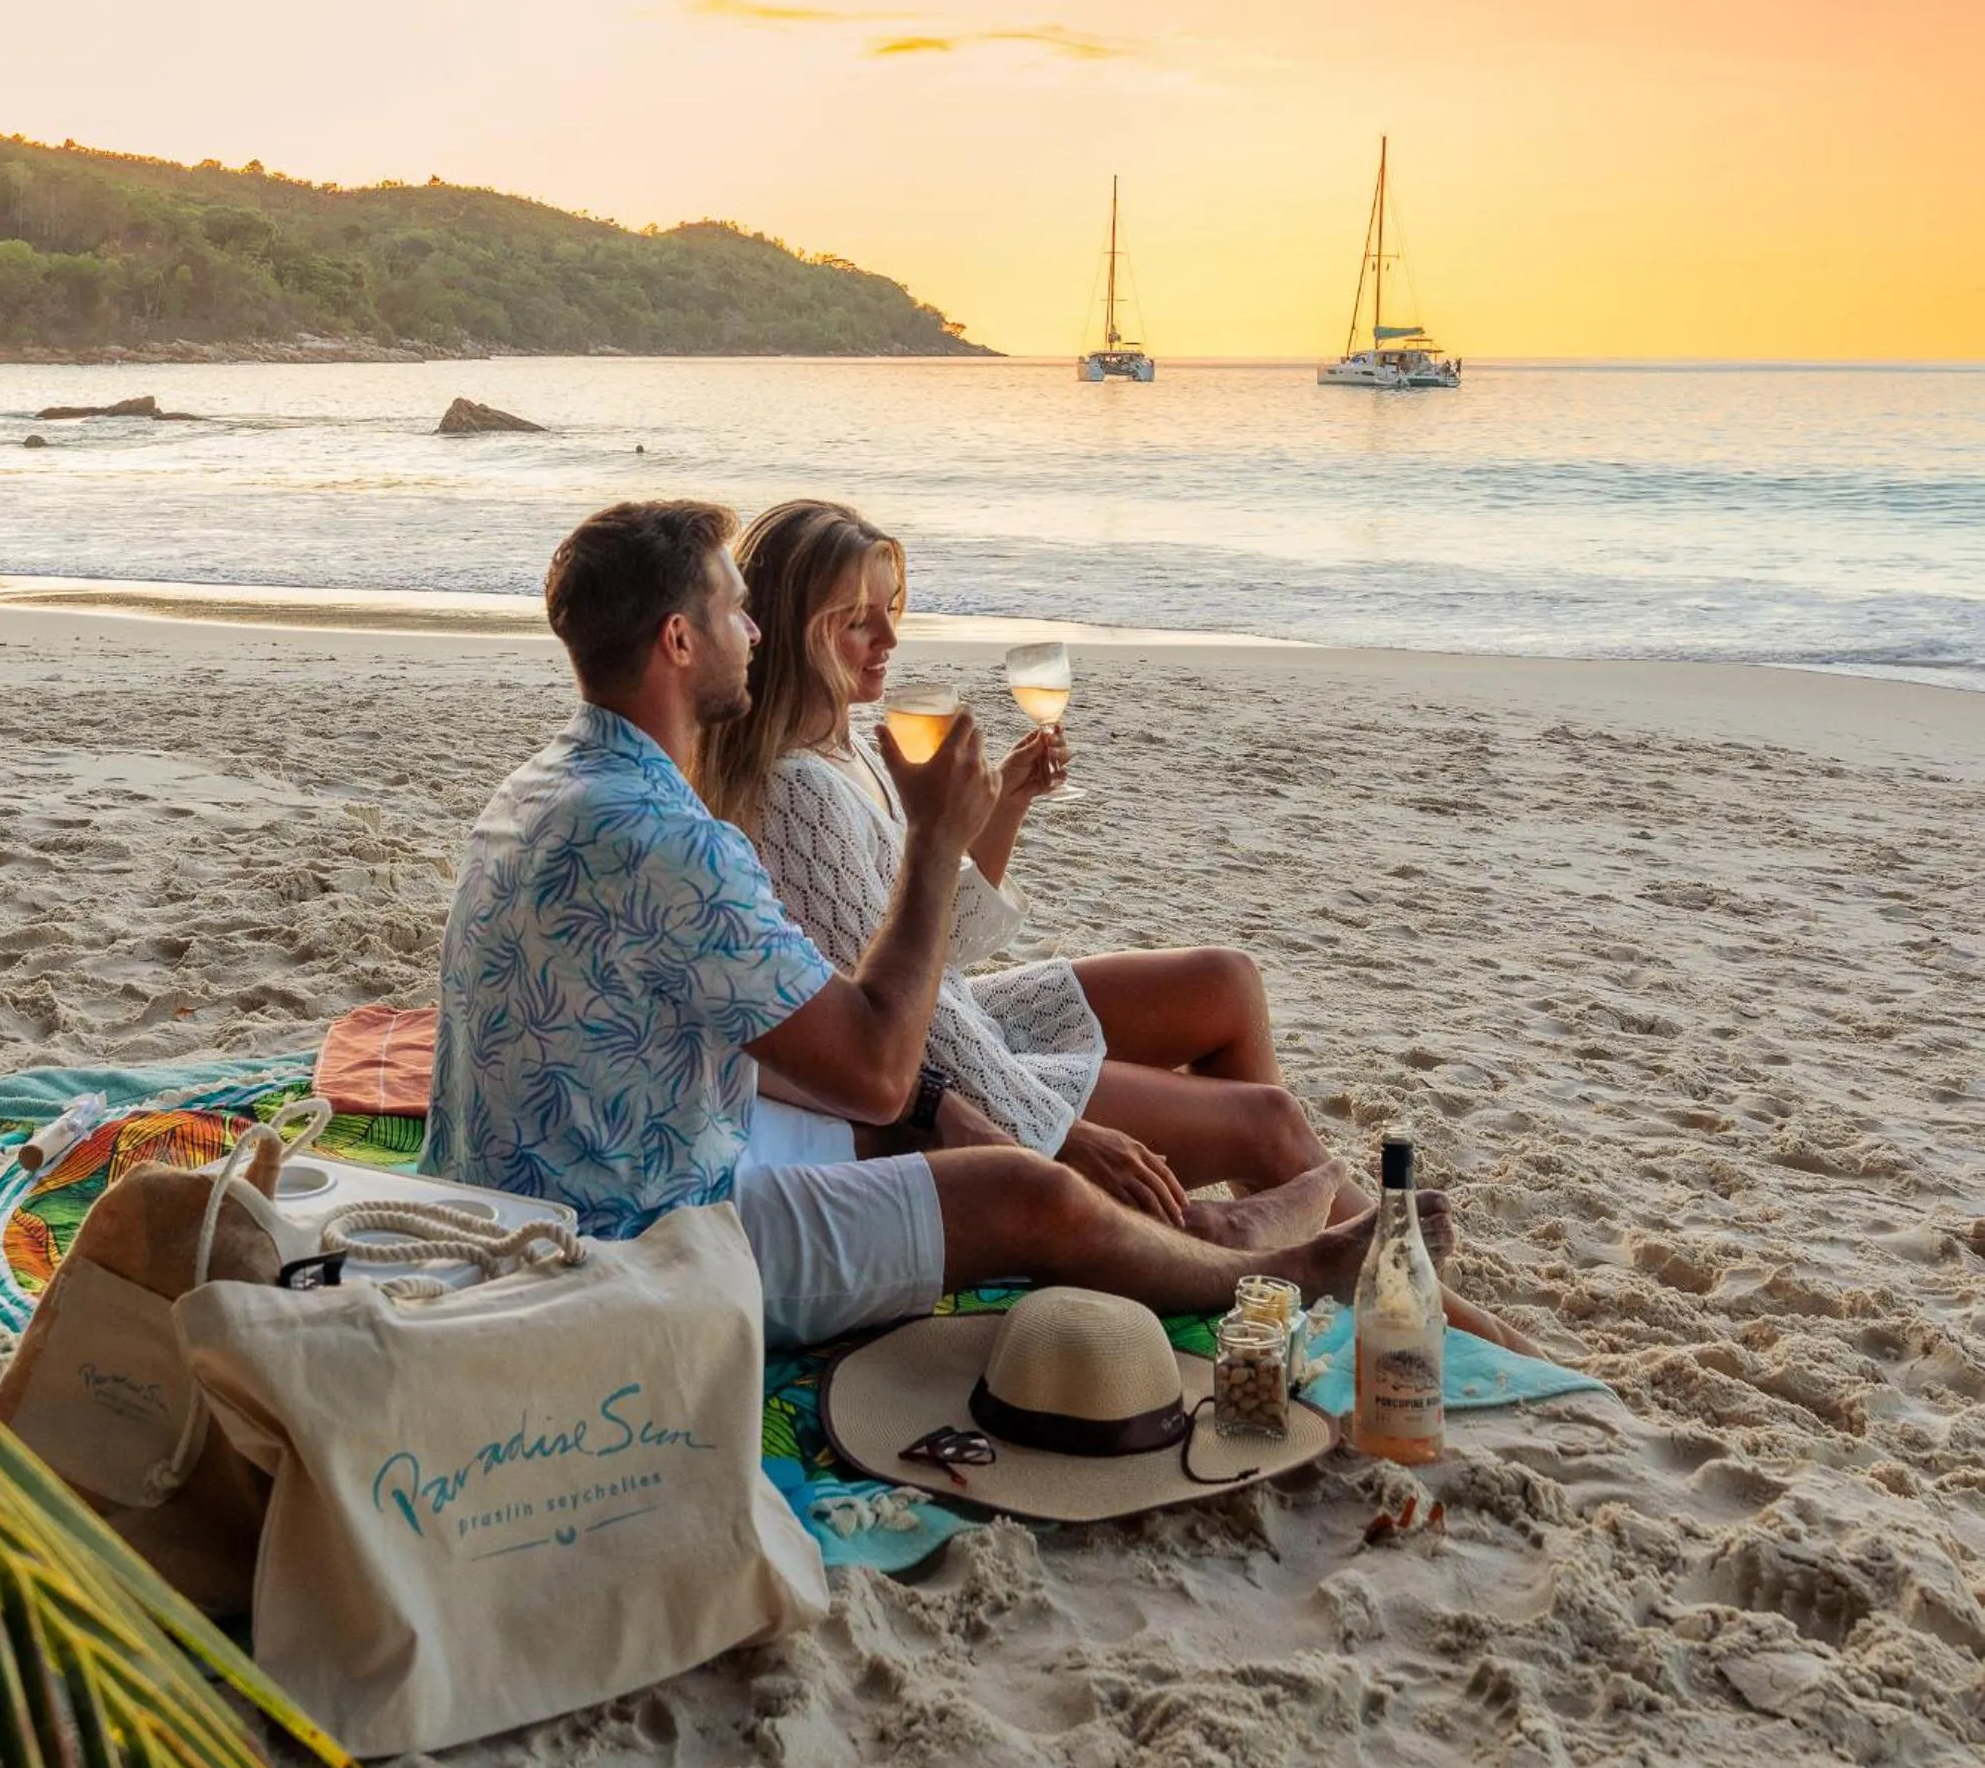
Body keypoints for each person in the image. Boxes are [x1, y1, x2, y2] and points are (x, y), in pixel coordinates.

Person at [424, 500, 1436, 1349]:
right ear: (679, 641)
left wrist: (930, 1104)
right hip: (630, 1238)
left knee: (932, 1125)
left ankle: (1229, 1231)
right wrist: (928, 845)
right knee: (1015, 1190)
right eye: (737, 612)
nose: (757, 632)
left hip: (558, 1175)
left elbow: (780, 1036)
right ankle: (1278, 1269)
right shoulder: (668, 837)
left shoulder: (551, 786)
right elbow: (873, 1066)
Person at [698, 497, 1533, 1352]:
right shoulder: (796, 793)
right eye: (854, 623)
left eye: (890, 612)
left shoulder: (855, 750)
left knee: (1224, 981)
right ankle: (1443, 1317)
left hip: (961, 1020)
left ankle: (1221, 1229)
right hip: (945, 1062)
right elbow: (903, 1024)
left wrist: (1005, 806)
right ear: (791, 631)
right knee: (1269, 1119)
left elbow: (938, 945)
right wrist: (1056, 1134)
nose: (888, 641)